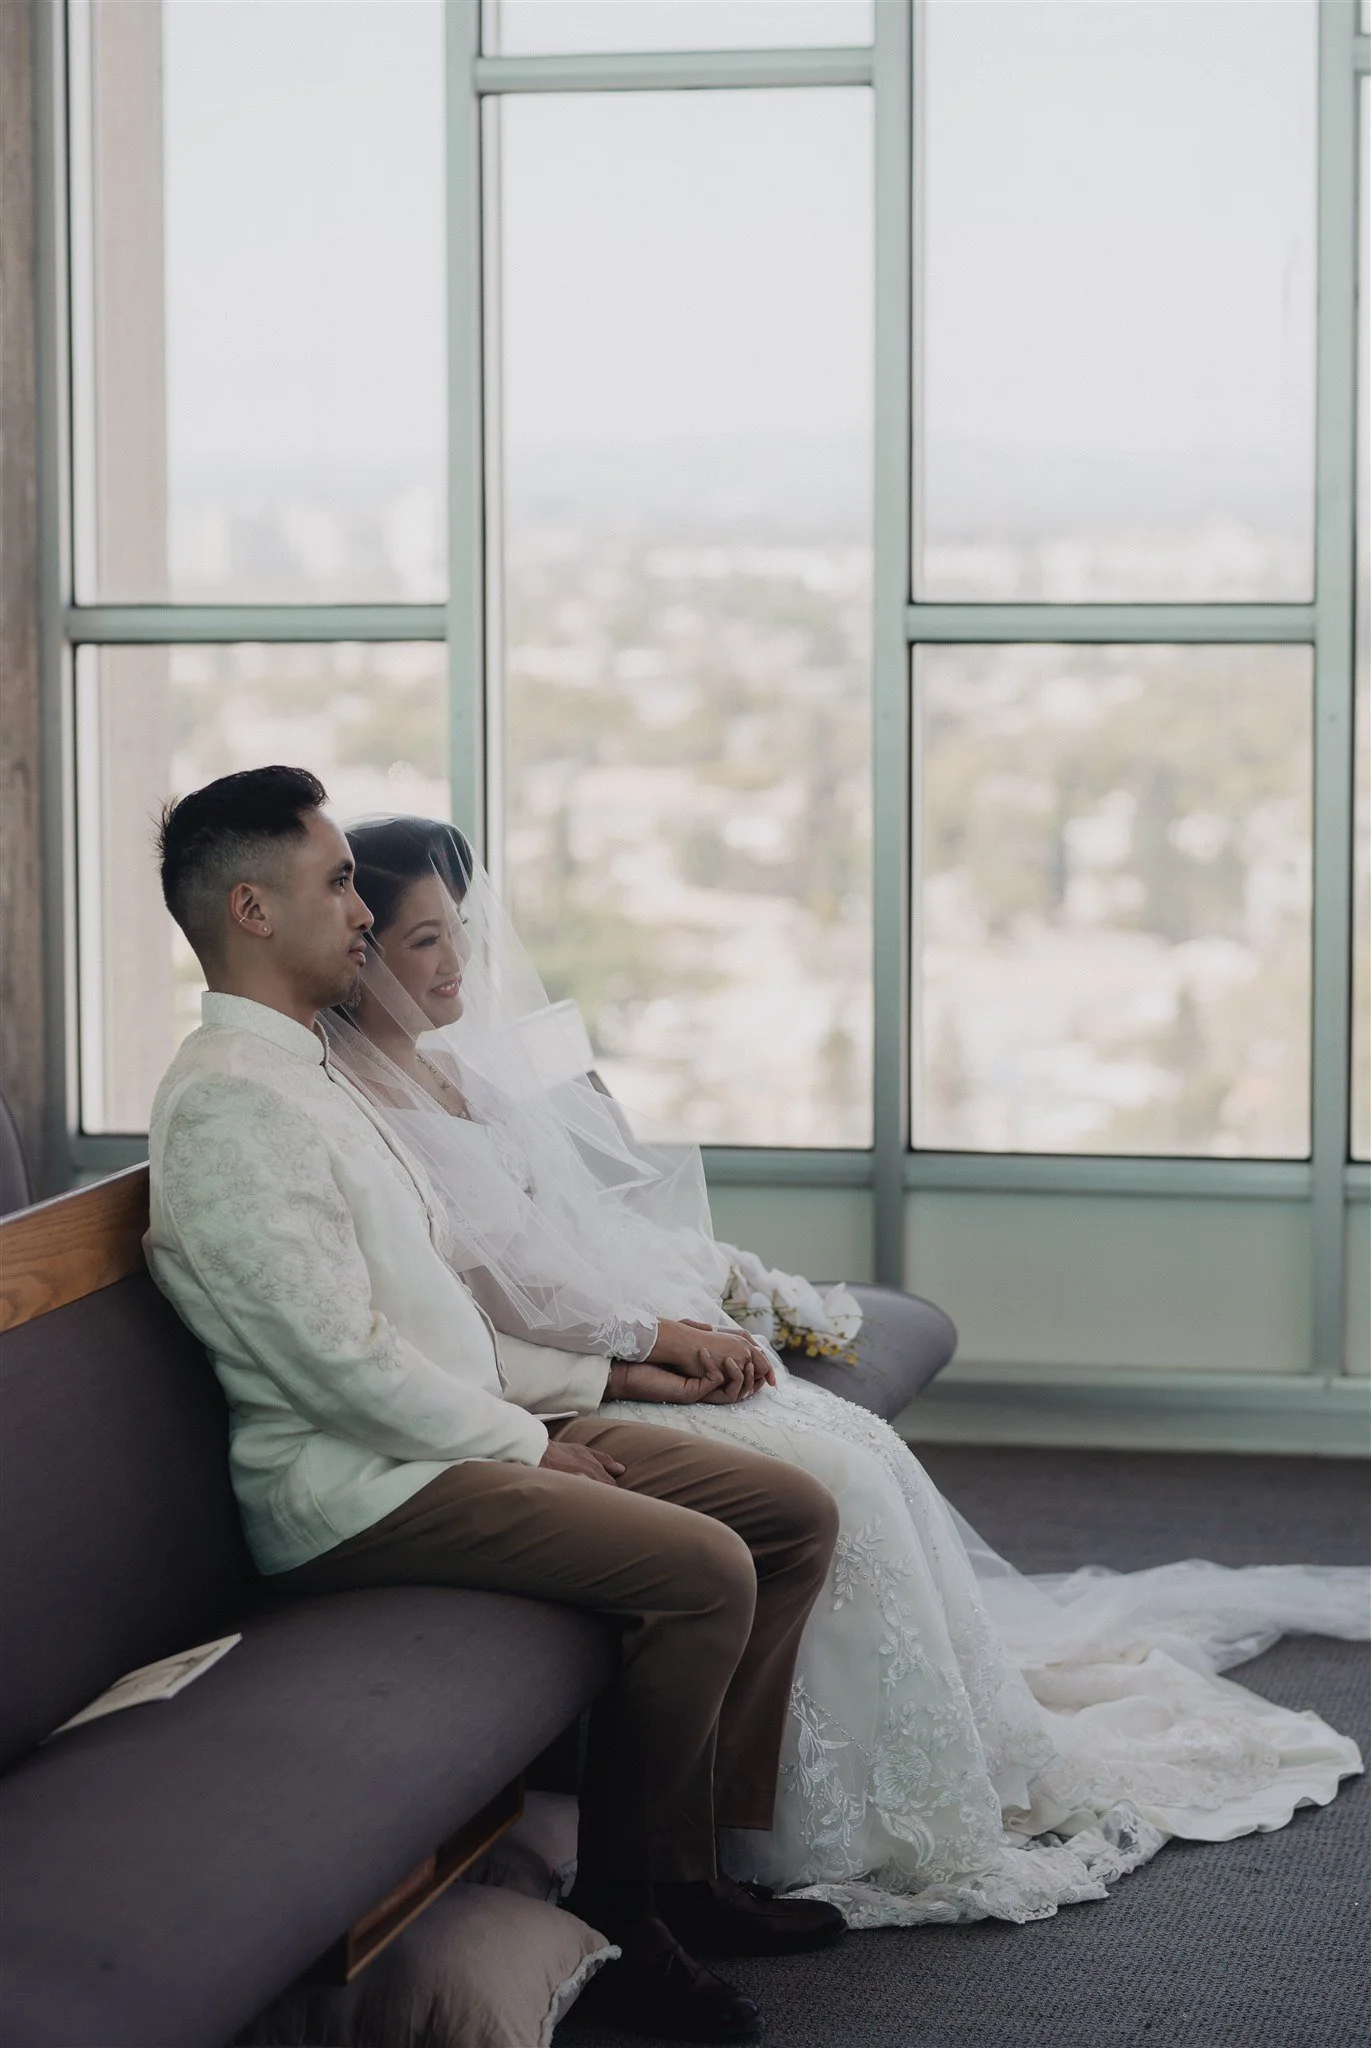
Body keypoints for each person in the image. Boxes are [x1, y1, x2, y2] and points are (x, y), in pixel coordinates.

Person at [331, 809, 1371, 1933]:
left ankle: (911, 1772)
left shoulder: (462, 1082)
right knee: (841, 1488)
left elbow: (569, 1245)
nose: (459, 964)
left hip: (608, 1345)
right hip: (551, 1383)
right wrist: (652, 1347)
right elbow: (505, 1299)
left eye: (461, 932)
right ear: (362, 950)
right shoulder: (365, 1112)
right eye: (426, 940)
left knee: (861, 1449)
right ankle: (797, 1826)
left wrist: (694, 1309)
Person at [144, 766, 850, 2048]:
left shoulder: (310, 1076)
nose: (362, 908)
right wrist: (533, 1445)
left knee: (792, 1510)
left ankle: (692, 1867)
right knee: (702, 1569)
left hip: (446, 1441)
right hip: (355, 1492)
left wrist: (603, 1386)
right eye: (336, 881)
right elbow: (340, 1366)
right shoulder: (228, 1105)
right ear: (250, 909)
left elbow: (438, 1328)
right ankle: (634, 1925)